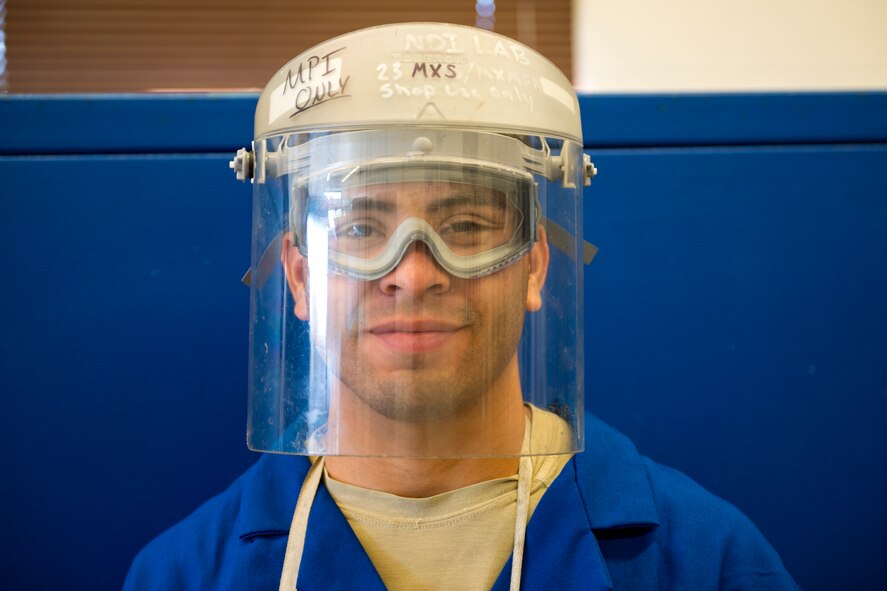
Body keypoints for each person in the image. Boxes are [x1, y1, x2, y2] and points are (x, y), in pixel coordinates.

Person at [124, 23, 798, 590]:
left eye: (468, 226)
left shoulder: (707, 561)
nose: (413, 273)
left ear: (534, 267)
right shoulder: (182, 573)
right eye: (360, 229)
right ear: (299, 281)